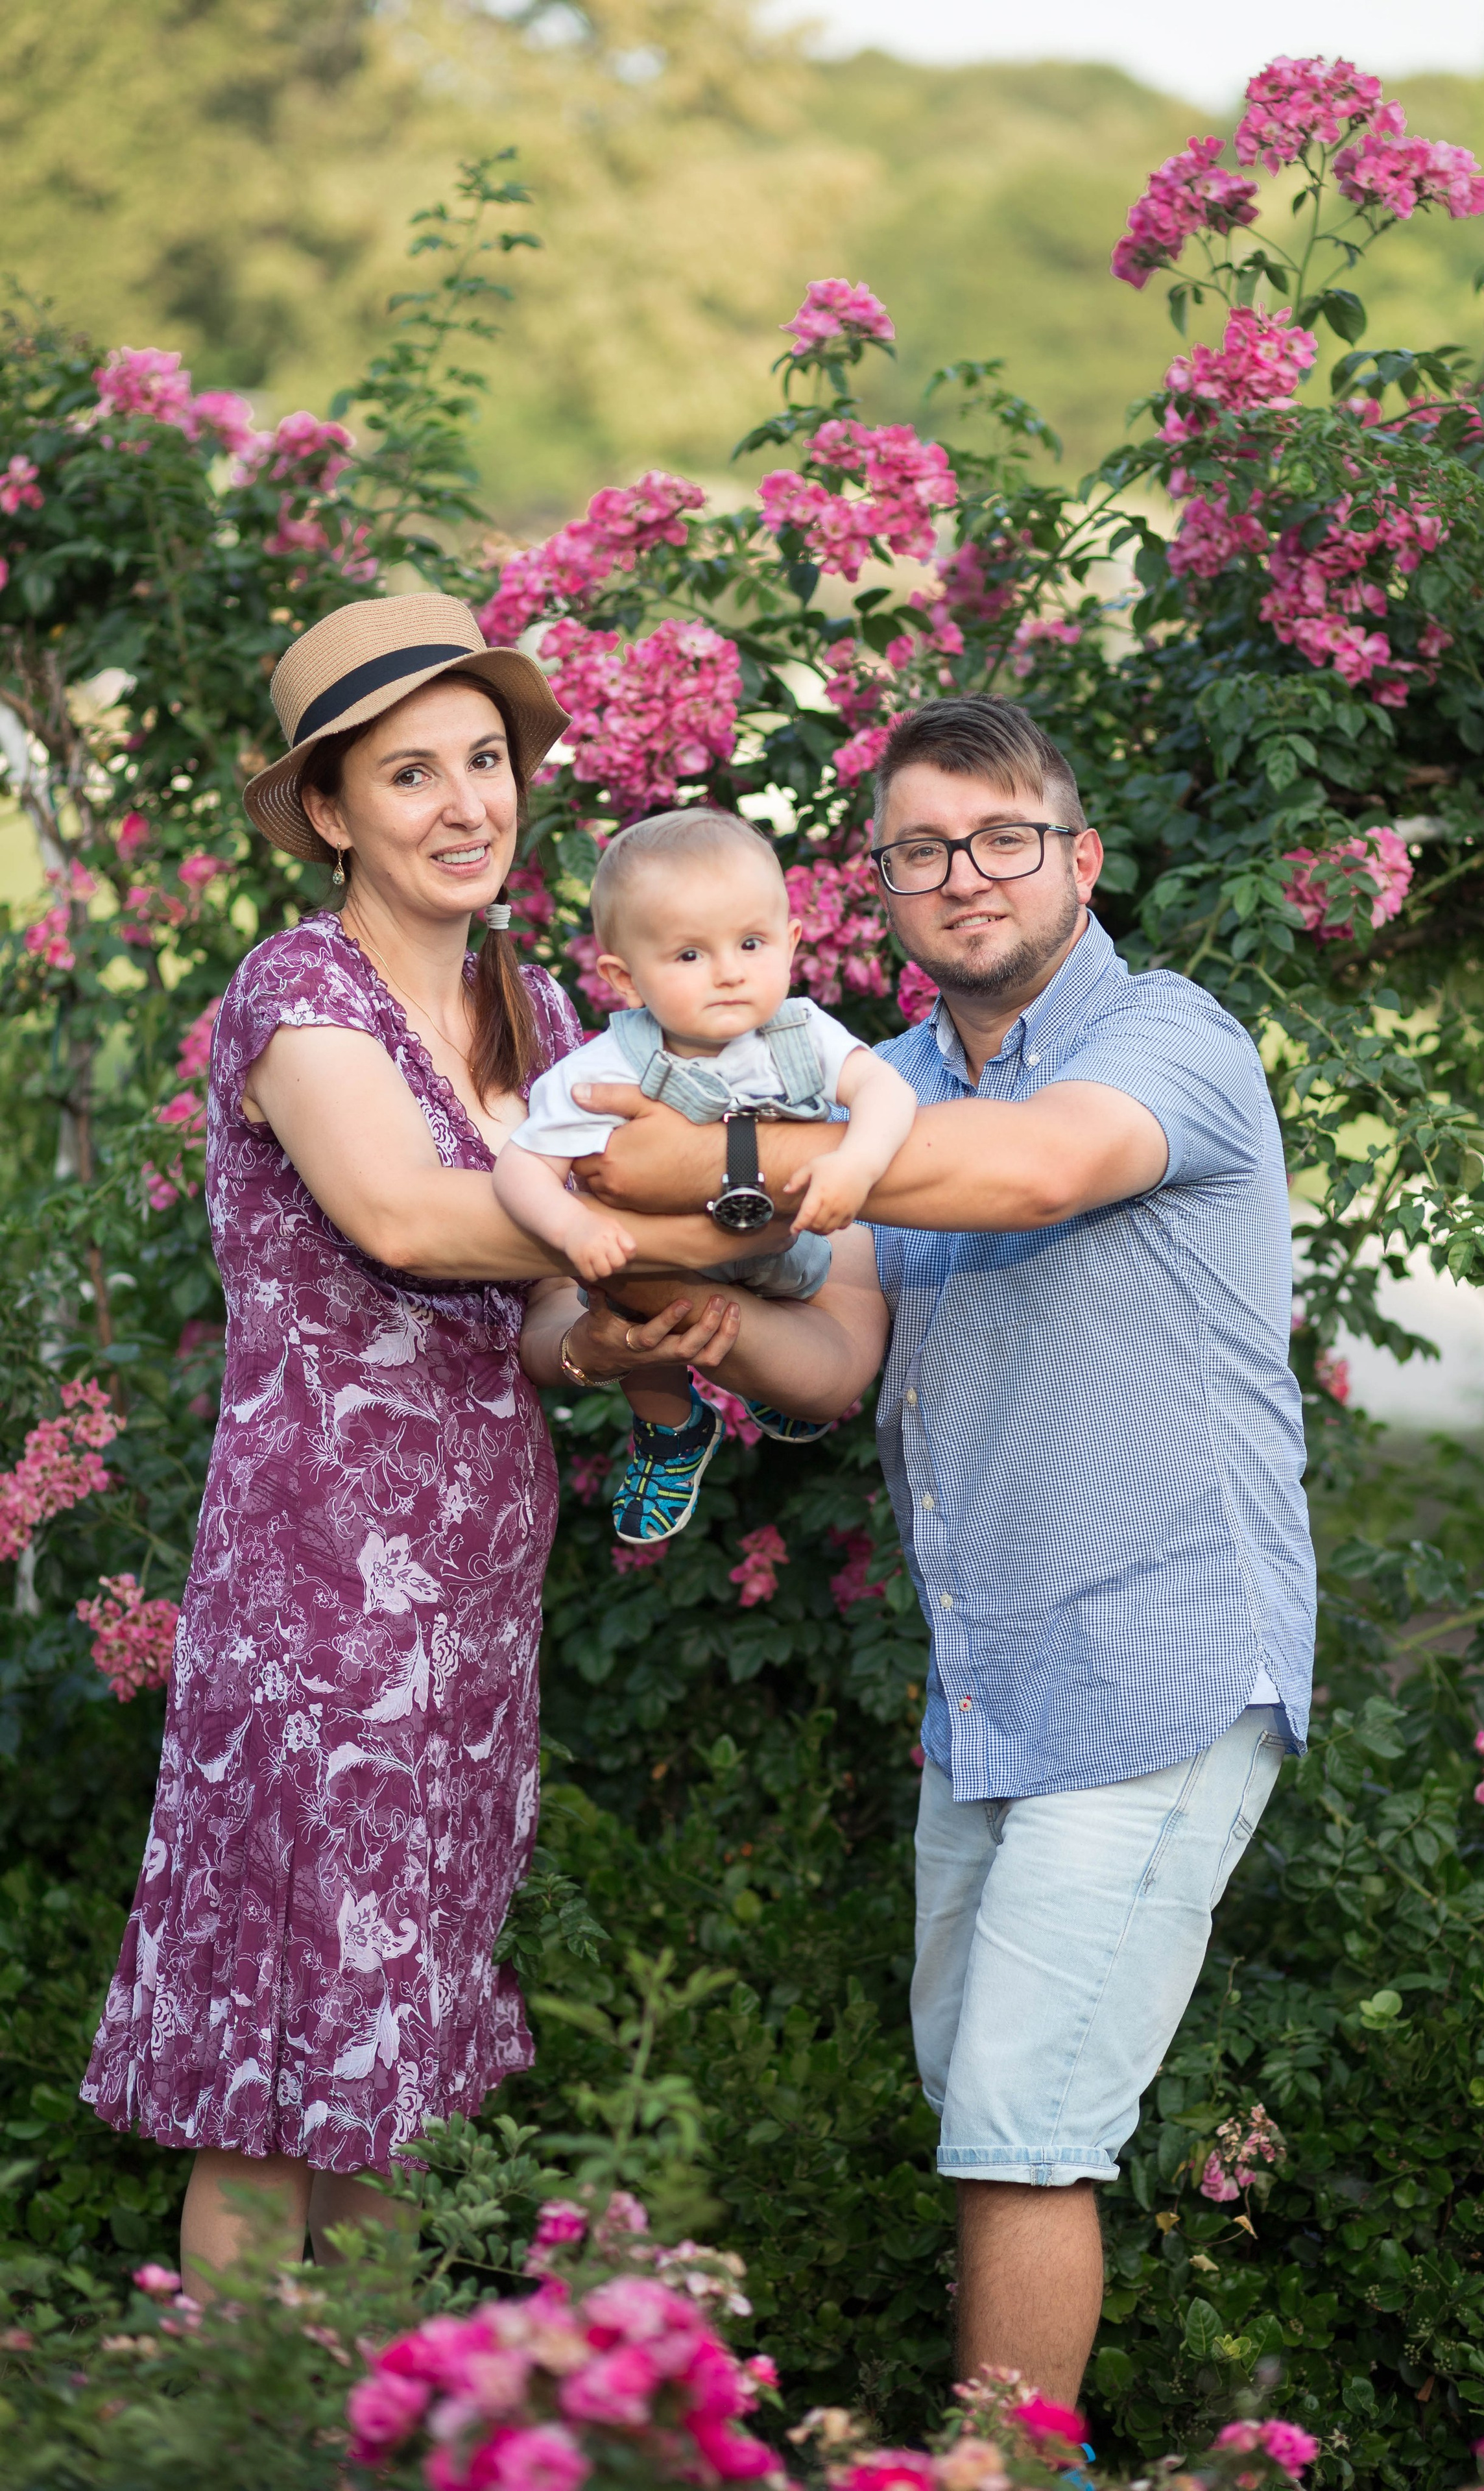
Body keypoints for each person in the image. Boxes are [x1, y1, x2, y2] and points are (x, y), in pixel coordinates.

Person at [524, 696, 1316, 2407]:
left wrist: (694, 1158)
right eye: (919, 849)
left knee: (1025, 2114)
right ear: (874, 889)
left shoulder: (1171, 1039)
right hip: (1003, 1681)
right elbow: (838, 1367)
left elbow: (1032, 1175)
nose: (965, 875)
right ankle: (1034, 2452)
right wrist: (706, 1335)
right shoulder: (888, 1094)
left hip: (1163, 1647)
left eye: (1004, 837)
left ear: (1080, 859)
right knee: (986, 2099)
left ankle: (994, 2468)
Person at [81, 595, 743, 2287]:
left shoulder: (516, 1019)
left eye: (486, 762)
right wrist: (680, 1222)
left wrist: (613, 1333)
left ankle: (364, 2427)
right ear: (328, 811)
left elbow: (510, 1321)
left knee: (396, 2081)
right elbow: (404, 1217)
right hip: (317, 1616)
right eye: (408, 775)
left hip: (462, 1623)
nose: (465, 806)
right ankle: (232, 2441)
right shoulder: (302, 989)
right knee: (273, 2084)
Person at [494, 806, 915, 1543]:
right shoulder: (604, 1068)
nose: (727, 972)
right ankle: (671, 1427)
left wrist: (857, 1160)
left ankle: (769, 1388)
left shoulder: (801, 1032)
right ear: (625, 978)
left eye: (750, 943)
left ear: (790, 942)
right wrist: (572, 1225)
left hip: (790, 1252)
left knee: (802, 1301)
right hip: (663, 1265)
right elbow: (521, 1168)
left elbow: (886, 1092)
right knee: (623, 1298)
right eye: (688, 955)